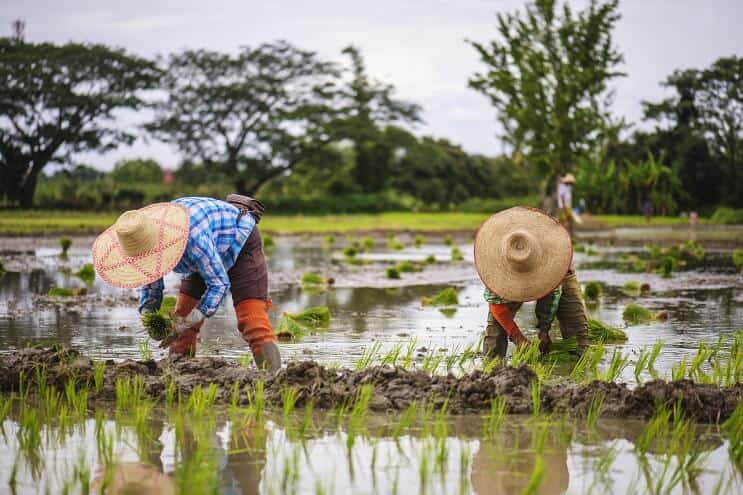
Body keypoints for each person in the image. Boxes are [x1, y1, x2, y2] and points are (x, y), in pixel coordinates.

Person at [92, 195, 281, 371]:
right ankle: (182, 373)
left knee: (251, 318)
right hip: (203, 254)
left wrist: (187, 322)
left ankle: (274, 379)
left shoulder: (194, 240)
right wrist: (149, 318)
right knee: (180, 319)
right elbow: (152, 285)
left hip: (240, 242)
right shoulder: (145, 240)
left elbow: (219, 285)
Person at [474, 206, 589, 358]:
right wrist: (518, 338)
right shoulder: (495, 263)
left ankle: (576, 363)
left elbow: (552, 297)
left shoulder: (556, 262)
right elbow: (497, 306)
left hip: (554, 263)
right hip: (508, 263)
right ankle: (492, 366)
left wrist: (544, 330)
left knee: (576, 331)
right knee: (494, 338)